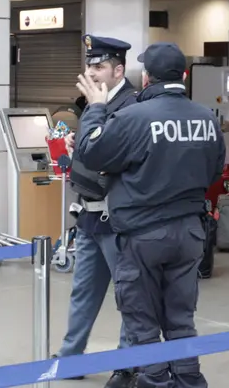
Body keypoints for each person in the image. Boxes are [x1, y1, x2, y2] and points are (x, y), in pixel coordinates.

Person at [74, 42, 224, 388]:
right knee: (181, 318)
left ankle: (155, 382)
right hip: (190, 234)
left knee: (141, 321)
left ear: (146, 78)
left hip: (143, 235)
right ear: (183, 76)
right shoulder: (206, 118)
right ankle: (188, 380)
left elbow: (91, 154)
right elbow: (215, 171)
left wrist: (96, 109)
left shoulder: (132, 118)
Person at [53, 35, 137, 388]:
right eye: (89, 65)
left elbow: (119, 155)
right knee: (83, 291)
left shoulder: (132, 105)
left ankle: (127, 362)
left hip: (116, 218)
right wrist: (77, 145)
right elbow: (93, 147)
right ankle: (71, 357)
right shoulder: (94, 103)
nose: (92, 72)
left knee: (129, 296)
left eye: (99, 66)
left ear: (119, 69)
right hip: (88, 214)